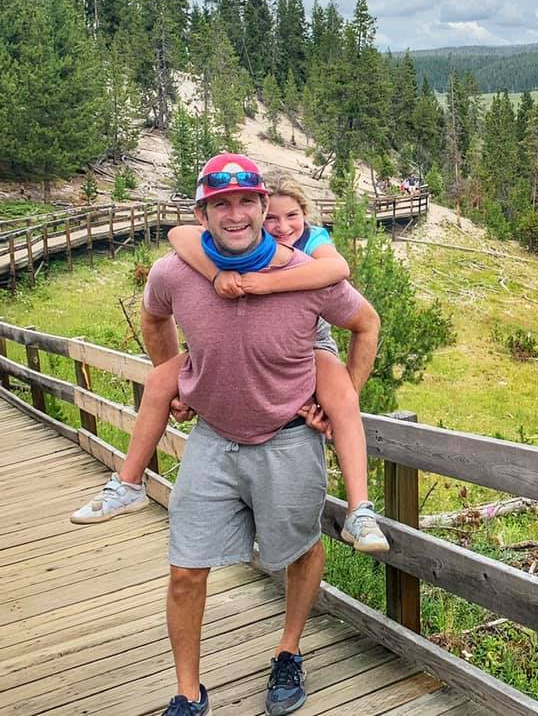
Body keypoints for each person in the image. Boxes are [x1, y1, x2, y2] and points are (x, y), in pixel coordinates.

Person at [136, 153, 379, 716]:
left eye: (248, 201)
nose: (237, 213)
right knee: (185, 564)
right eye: (221, 203)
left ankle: (288, 651)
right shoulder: (179, 268)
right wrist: (177, 380)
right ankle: (187, 692)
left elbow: (363, 320)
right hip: (214, 438)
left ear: (265, 207)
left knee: (300, 548)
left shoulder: (307, 265)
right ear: (203, 213)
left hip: (290, 430)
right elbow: (155, 316)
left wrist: (347, 395)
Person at [72, 178, 389, 554]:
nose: (281, 226)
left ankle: (359, 510)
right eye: (271, 218)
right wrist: (216, 274)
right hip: (229, 353)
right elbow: (180, 235)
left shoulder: (313, 243)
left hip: (307, 344)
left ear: (304, 215)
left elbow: (337, 270)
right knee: (160, 380)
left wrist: (268, 284)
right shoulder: (229, 241)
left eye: (290, 216)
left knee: (344, 400)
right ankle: (128, 482)